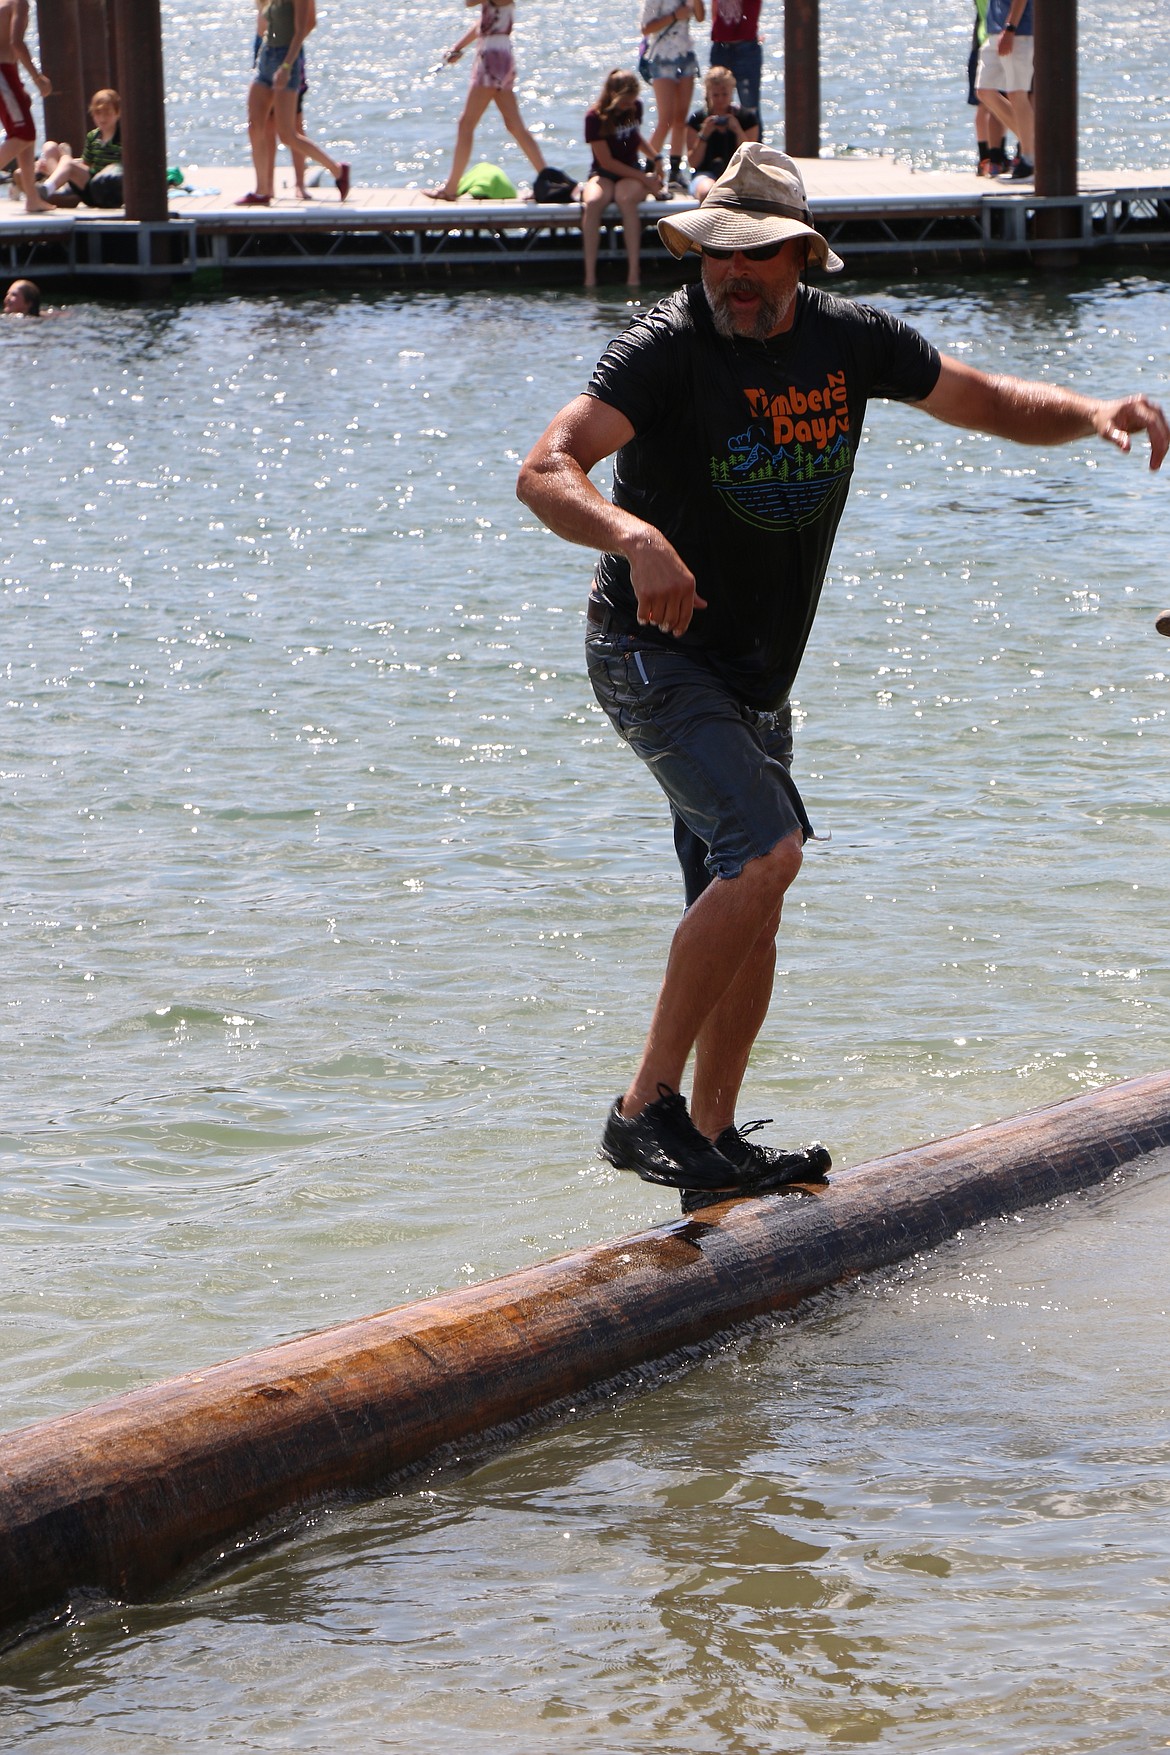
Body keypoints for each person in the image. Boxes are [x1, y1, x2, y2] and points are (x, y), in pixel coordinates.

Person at [516, 142, 1167, 1211]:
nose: (733, 273)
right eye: (719, 251)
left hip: (754, 676)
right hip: (649, 651)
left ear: (801, 259)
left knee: (752, 895)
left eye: (759, 256)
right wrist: (635, 536)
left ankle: (714, 1143)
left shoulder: (850, 344)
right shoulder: (665, 350)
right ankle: (643, 1113)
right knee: (768, 850)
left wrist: (1094, 412)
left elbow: (987, 398)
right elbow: (547, 468)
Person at [427, 0, 545, 201]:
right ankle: (547, 181)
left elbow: (469, 2)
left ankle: (450, 188)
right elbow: (483, 21)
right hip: (497, 55)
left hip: (492, 60)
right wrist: (458, 47)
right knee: (515, 126)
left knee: (467, 124)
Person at [237, 0, 349, 207]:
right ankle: (262, 191)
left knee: (287, 134)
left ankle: (338, 170)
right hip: (267, 56)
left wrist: (287, 66)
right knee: (255, 126)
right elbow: (262, 25)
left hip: (287, 58)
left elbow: (301, 30)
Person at [581, 69, 661, 289]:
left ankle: (633, 272)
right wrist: (645, 179)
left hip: (630, 170)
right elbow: (606, 162)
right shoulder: (594, 118)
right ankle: (590, 275)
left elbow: (634, 137)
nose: (629, 105)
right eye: (625, 102)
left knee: (625, 199)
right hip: (604, 172)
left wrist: (655, 156)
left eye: (632, 101)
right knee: (594, 202)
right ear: (612, 96)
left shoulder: (635, 106)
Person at [640, 0, 703, 195]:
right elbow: (646, 28)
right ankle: (648, 167)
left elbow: (700, 17)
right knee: (665, 119)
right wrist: (675, 16)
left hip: (685, 55)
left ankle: (675, 170)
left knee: (680, 118)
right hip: (662, 57)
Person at [0, 0, 52, 214]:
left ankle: (32, 197)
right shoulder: (18, 2)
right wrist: (37, 78)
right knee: (23, 133)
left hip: (8, 73)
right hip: (3, 72)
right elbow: (16, 43)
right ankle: (31, 197)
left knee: (26, 136)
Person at [976, 0, 1033, 181]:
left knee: (1017, 93)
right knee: (984, 90)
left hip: (1018, 32)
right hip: (994, 31)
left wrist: (1010, 28)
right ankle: (1035, 147)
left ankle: (1030, 160)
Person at [39, 87, 123, 207]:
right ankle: (52, 185)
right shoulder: (93, 137)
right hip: (91, 188)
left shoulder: (124, 138)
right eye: (98, 113)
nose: (102, 118)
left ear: (118, 113)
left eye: (108, 113)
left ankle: (48, 188)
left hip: (110, 190)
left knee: (67, 161)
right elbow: (86, 165)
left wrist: (68, 161)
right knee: (50, 147)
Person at [686, 63, 758, 198]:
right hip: (705, 173)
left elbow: (751, 158)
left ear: (732, 92)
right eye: (715, 95)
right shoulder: (697, 119)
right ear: (708, 93)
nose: (720, 99)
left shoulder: (747, 118)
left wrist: (737, 130)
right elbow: (693, 163)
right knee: (708, 192)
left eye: (724, 94)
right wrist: (704, 134)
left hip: (737, 172)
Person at [708, 0, 762, 117]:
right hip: (721, 45)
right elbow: (715, 7)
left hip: (745, 45)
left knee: (750, 109)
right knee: (715, 106)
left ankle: (750, 134)